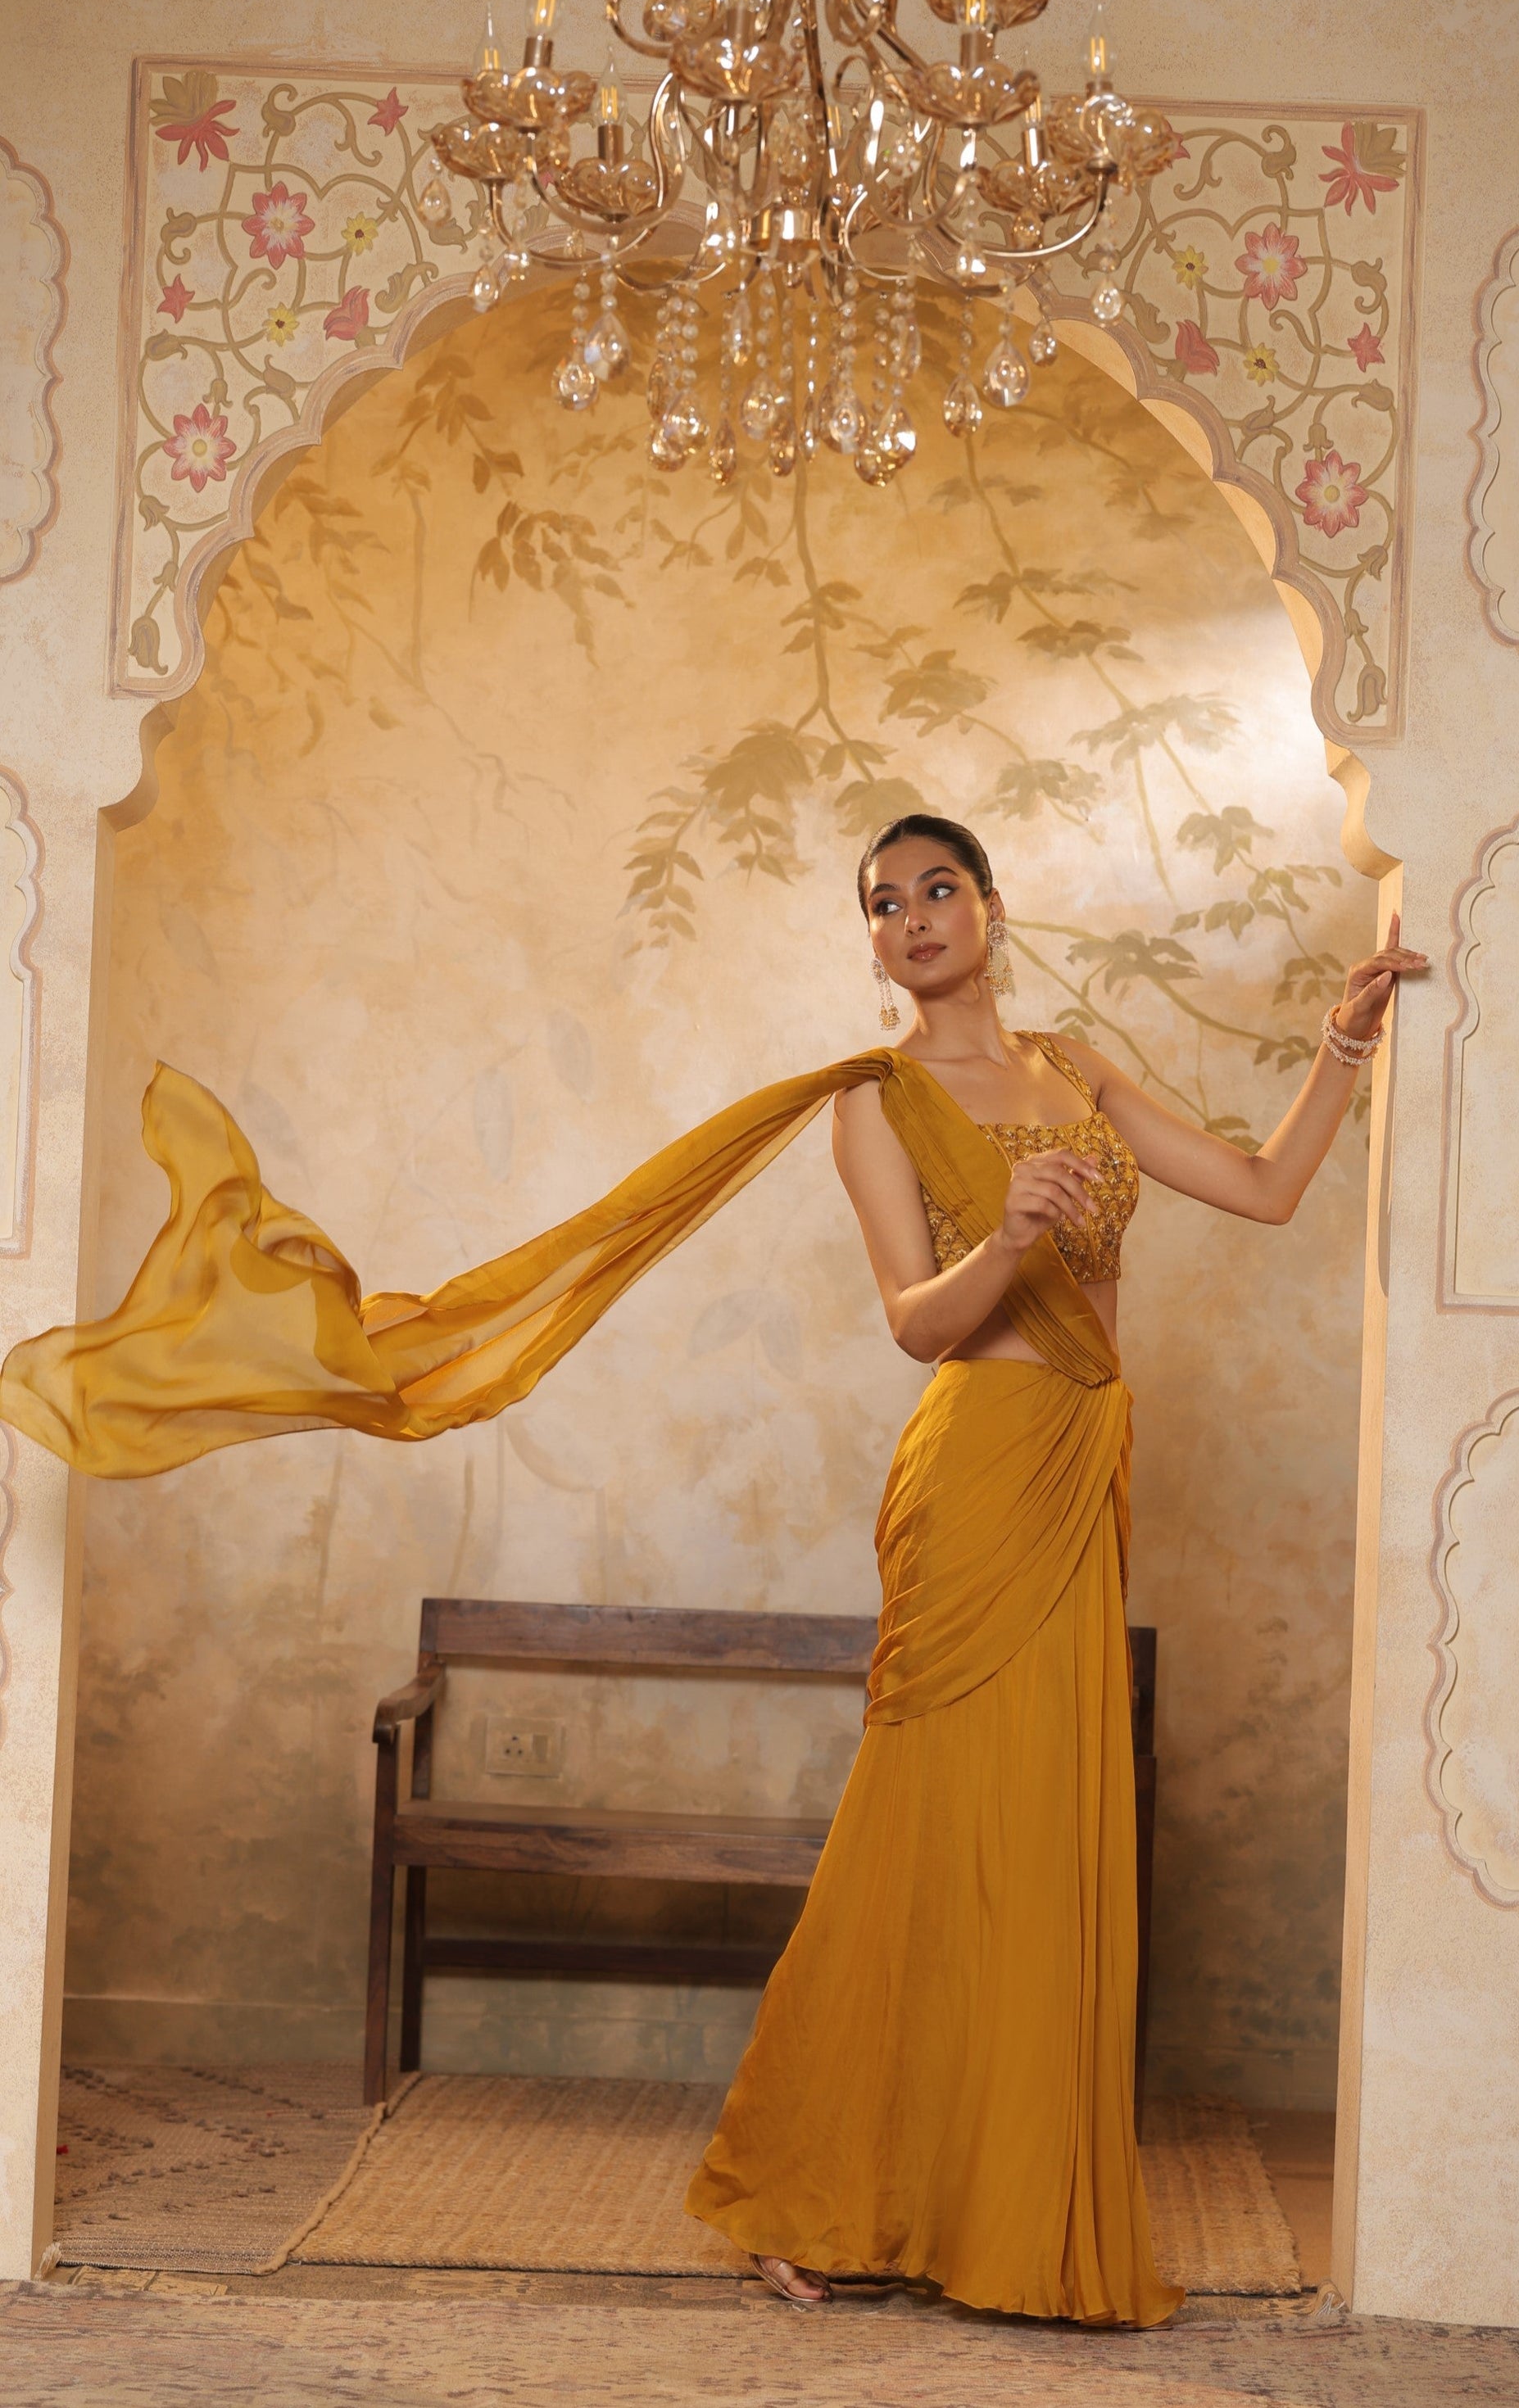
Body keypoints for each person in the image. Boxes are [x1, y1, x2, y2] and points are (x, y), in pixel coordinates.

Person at [0, 812, 1424, 2327]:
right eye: (885, 904)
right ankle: (799, 2185)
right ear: (873, 943)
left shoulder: (1078, 1067)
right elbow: (915, 1323)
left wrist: (1342, 1045)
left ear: (994, 909)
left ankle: (992, 2201)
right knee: (925, 1826)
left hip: (1084, 1465)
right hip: (976, 1476)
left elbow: (1264, 1188)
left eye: (941, 889)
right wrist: (1007, 1238)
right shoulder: (870, 1107)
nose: (916, 917)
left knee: (1038, 1835)